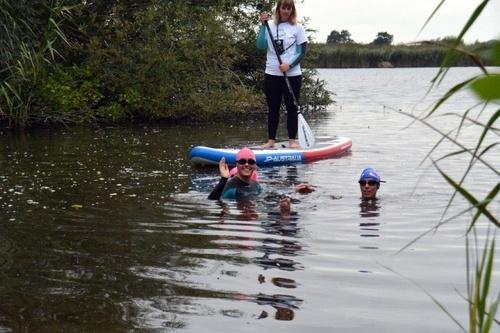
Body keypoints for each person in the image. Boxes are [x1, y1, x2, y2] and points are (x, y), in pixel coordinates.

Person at [257, 0, 308, 149]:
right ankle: (271, 140)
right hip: (272, 73)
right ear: (278, 9)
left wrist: (289, 65)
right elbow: (260, 46)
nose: (286, 11)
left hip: (292, 75)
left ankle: (292, 140)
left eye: (289, 8)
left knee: (292, 108)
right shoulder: (269, 25)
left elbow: (302, 52)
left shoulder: (298, 28)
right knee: (273, 107)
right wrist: (262, 25)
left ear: (292, 10)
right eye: (283, 8)